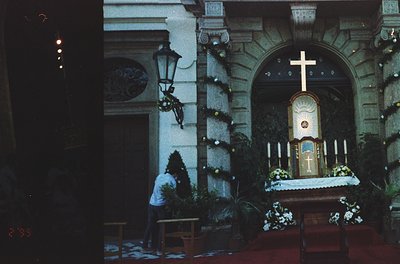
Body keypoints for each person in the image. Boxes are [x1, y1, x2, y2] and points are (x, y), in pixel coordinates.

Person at [142, 167, 178, 254]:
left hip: (152, 203)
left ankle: (144, 247)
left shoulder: (160, 176)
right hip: (161, 205)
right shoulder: (172, 181)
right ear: (175, 174)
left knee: (150, 225)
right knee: (162, 226)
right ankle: (159, 249)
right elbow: (172, 195)